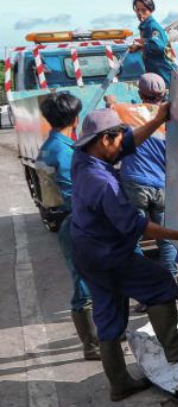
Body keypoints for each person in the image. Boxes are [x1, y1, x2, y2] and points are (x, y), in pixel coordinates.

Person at [70, 107, 178, 401]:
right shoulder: (102, 184)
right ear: (104, 139)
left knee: (109, 312)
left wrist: (156, 121)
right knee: (160, 282)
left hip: (86, 252)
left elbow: (127, 143)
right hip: (108, 254)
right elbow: (137, 226)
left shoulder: (83, 157)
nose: (122, 145)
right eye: (116, 139)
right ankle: (175, 347)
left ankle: (119, 383)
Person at [36, 93, 99, 360]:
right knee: (83, 282)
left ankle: (102, 335)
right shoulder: (62, 151)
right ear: (75, 119)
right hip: (74, 222)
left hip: (67, 220)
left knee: (90, 277)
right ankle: (92, 345)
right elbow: (75, 194)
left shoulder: (52, 145)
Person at [119, 73, 176, 291]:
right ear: (163, 95)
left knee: (134, 236)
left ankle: (147, 286)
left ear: (139, 93)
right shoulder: (170, 118)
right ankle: (170, 279)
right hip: (161, 184)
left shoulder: (126, 113)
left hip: (134, 184)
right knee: (166, 237)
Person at [129, 0, 177, 84]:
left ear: (150, 10)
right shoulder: (145, 26)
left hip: (164, 73)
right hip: (156, 73)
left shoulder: (152, 26)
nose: (140, 13)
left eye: (143, 10)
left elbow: (159, 47)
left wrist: (140, 46)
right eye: (137, 10)